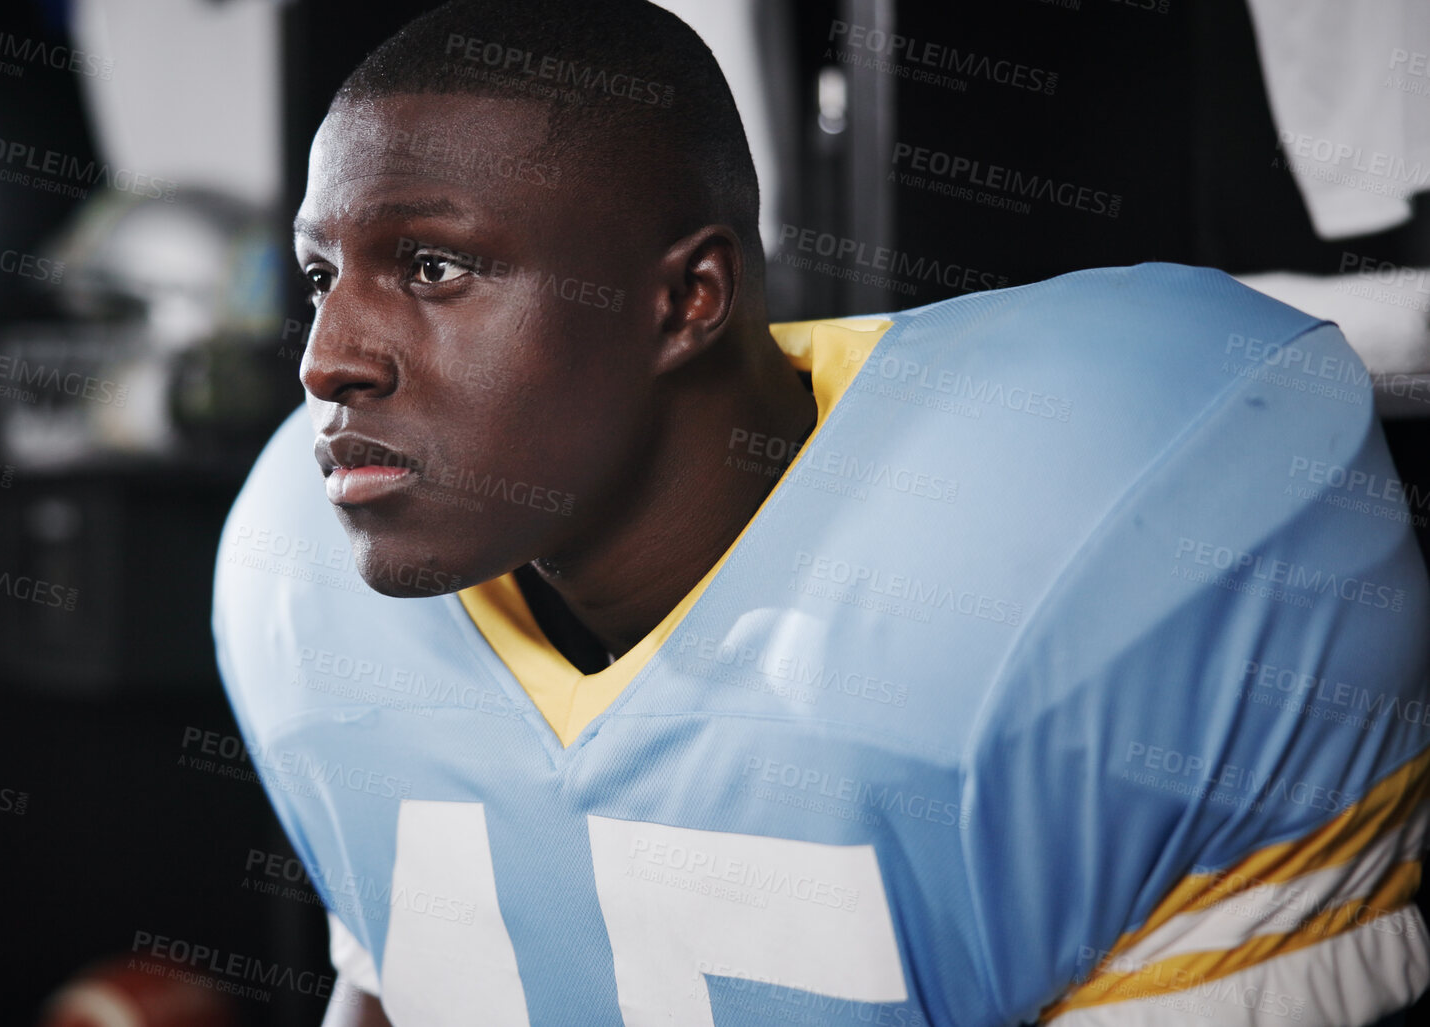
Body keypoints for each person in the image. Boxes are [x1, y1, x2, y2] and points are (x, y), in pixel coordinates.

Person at [212, 2, 1430, 1024]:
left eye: (434, 269)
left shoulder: (1106, 526)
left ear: (689, 298)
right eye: (324, 277)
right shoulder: (305, 581)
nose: (328, 359)